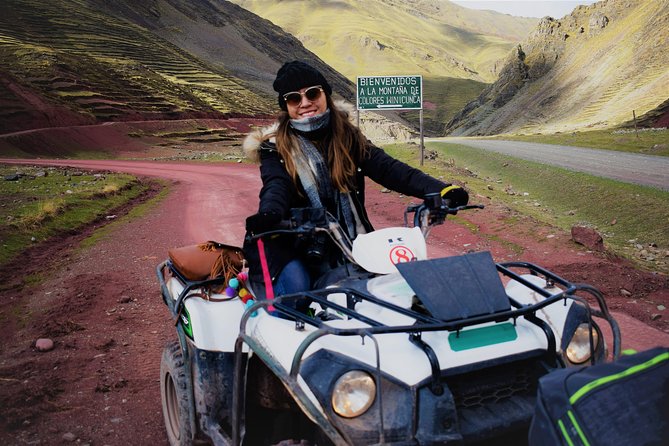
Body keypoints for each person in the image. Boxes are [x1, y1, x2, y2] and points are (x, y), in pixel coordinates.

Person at [242, 60, 468, 310]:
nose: (305, 103)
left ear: (325, 94)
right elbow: (276, 185)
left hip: (350, 240)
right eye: (295, 98)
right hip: (293, 242)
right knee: (298, 296)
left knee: (394, 290)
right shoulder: (274, 147)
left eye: (313, 93)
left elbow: (389, 168)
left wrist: (440, 190)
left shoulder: (347, 136)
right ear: (286, 105)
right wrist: (270, 213)